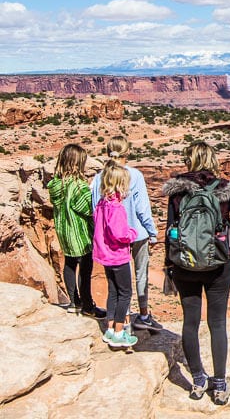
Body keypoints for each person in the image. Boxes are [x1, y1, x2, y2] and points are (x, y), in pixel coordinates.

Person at [162, 141, 230, 405]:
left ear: (189, 160)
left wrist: (169, 265)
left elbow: (170, 230)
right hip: (218, 265)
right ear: (212, 160)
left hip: (184, 265)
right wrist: (227, 232)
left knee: (190, 322)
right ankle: (220, 385)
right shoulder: (224, 189)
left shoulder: (177, 190)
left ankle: (198, 380)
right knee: (217, 323)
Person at [91, 136, 162, 332]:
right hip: (136, 233)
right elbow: (142, 209)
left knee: (118, 284)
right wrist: (152, 232)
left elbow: (95, 209)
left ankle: (124, 321)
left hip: (110, 240)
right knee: (140, 275)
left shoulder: (99, 177)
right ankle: (144, 316)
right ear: (127, 153)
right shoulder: (135, 175)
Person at [47, 144, 106, 318]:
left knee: (70, 264)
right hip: (80, 234)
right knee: (85, 269)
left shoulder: (55, 184)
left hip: (64, 231)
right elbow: (88, 208)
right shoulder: (78, 186)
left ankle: (74, 302)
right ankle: (88, 305)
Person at [93, 160, 139, 349]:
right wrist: (132, 233)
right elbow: (120, 234)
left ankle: (110, 329)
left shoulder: (102, 203)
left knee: (113, 291)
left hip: (105, 255)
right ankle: (120, 333)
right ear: (121, 185)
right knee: (125, 293)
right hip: (117, 255)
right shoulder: (116, 208)